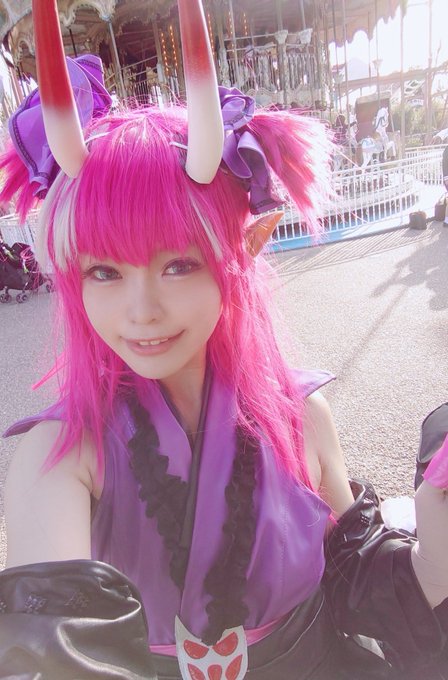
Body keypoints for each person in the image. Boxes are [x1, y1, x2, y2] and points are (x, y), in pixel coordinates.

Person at [1, 2, 448, 679]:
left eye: (178, 264)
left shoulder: (301, 415)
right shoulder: (62, 453)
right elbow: (57, 646)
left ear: (245, 249)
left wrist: (435, 544)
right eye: (104, 271)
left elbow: (356, 585)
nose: (141, 311)